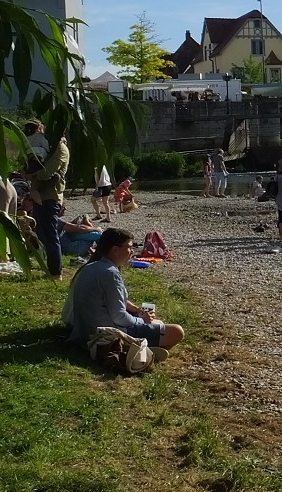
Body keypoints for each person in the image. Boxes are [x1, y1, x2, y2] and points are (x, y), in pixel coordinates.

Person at [61, 227, 184, 351]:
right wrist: (141, 320)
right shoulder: (110, 274)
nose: (132, 252)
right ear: (115, 250)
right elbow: (119, 317)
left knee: (157, 324)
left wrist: (137, 312)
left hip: (84, 333)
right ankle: (140, 351)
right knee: (176, 331)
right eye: (129, 247)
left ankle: (147, 347)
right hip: (105, 335)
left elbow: (113, 302)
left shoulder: (89, 267)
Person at [23, 120, 69, 280]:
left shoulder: (60, 148)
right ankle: (52, 267)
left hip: (50, 196)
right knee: (42, 233)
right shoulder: (49, 147)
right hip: (41, 195)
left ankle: (56, 272)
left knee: (50, 234)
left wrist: (31, 176)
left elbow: (48, 171)